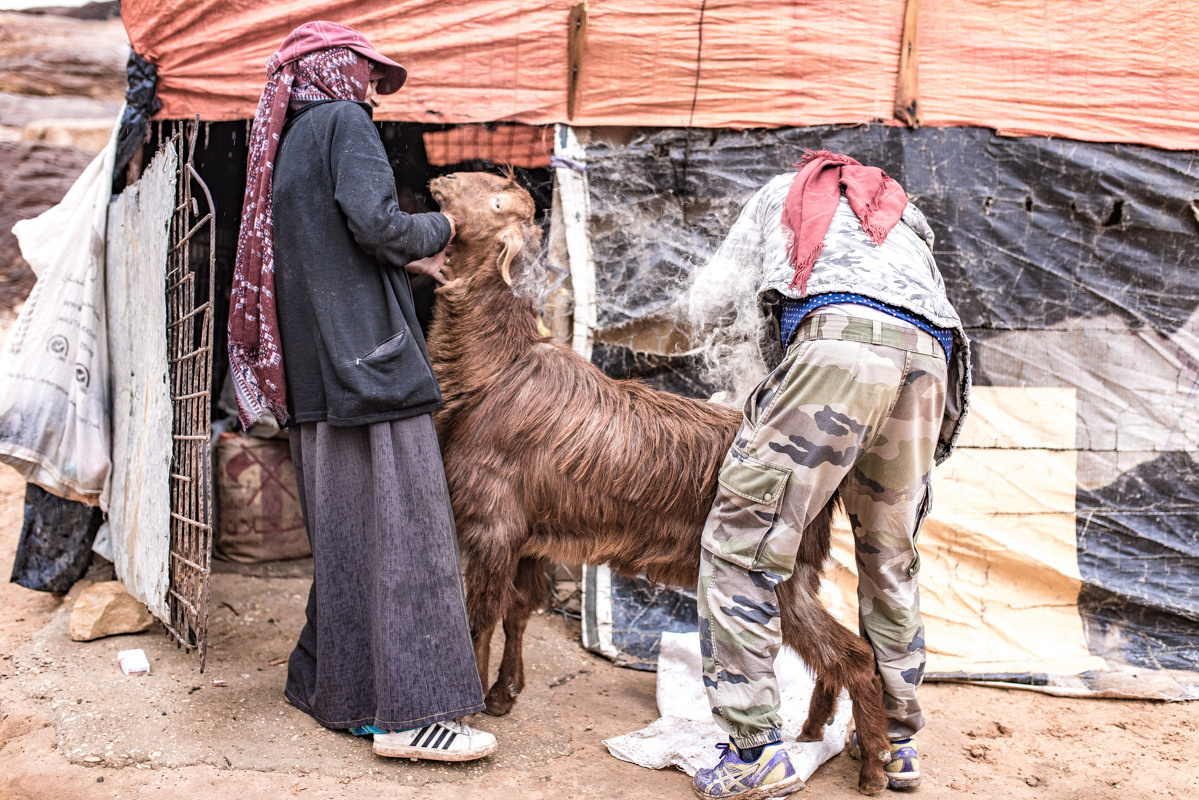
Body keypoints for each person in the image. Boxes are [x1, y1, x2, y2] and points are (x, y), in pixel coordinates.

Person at [228, 21, 496, 762]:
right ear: (338, 73)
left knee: (349, 542)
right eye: (367, 74)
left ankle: (336, 693)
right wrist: (449, 225)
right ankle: (412, 717)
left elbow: (333, 246)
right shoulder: (343, 122)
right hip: (369, 371)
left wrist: (401, 263)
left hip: (322, 376)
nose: (374, 91)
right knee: (407, 537)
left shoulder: (285, 143)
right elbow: (376, 224)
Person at [688, 151, 971, 798]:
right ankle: (896, 742)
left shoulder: (777, 194)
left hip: (839, 345)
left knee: (740, 546)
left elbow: (712, 298)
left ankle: (752, 753)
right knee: (889, 555)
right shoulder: (902, 212)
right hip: (929, 361)